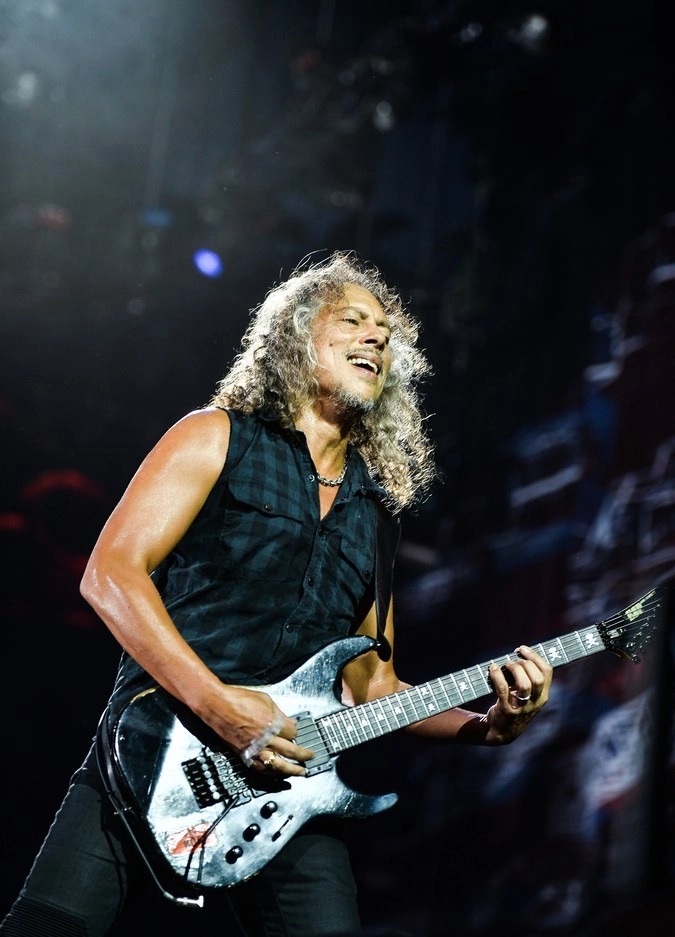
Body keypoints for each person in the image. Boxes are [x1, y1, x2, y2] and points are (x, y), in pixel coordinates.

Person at [0, 251, 553, 937]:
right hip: (155, 748)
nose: (375, 337)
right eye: (352, 320)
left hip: (290, 789)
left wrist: (487, 726)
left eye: (385, 333)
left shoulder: (376, 514)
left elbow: (373, 687)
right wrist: (219, 705)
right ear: (296, 335)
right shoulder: (213, 438)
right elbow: (110, 574)